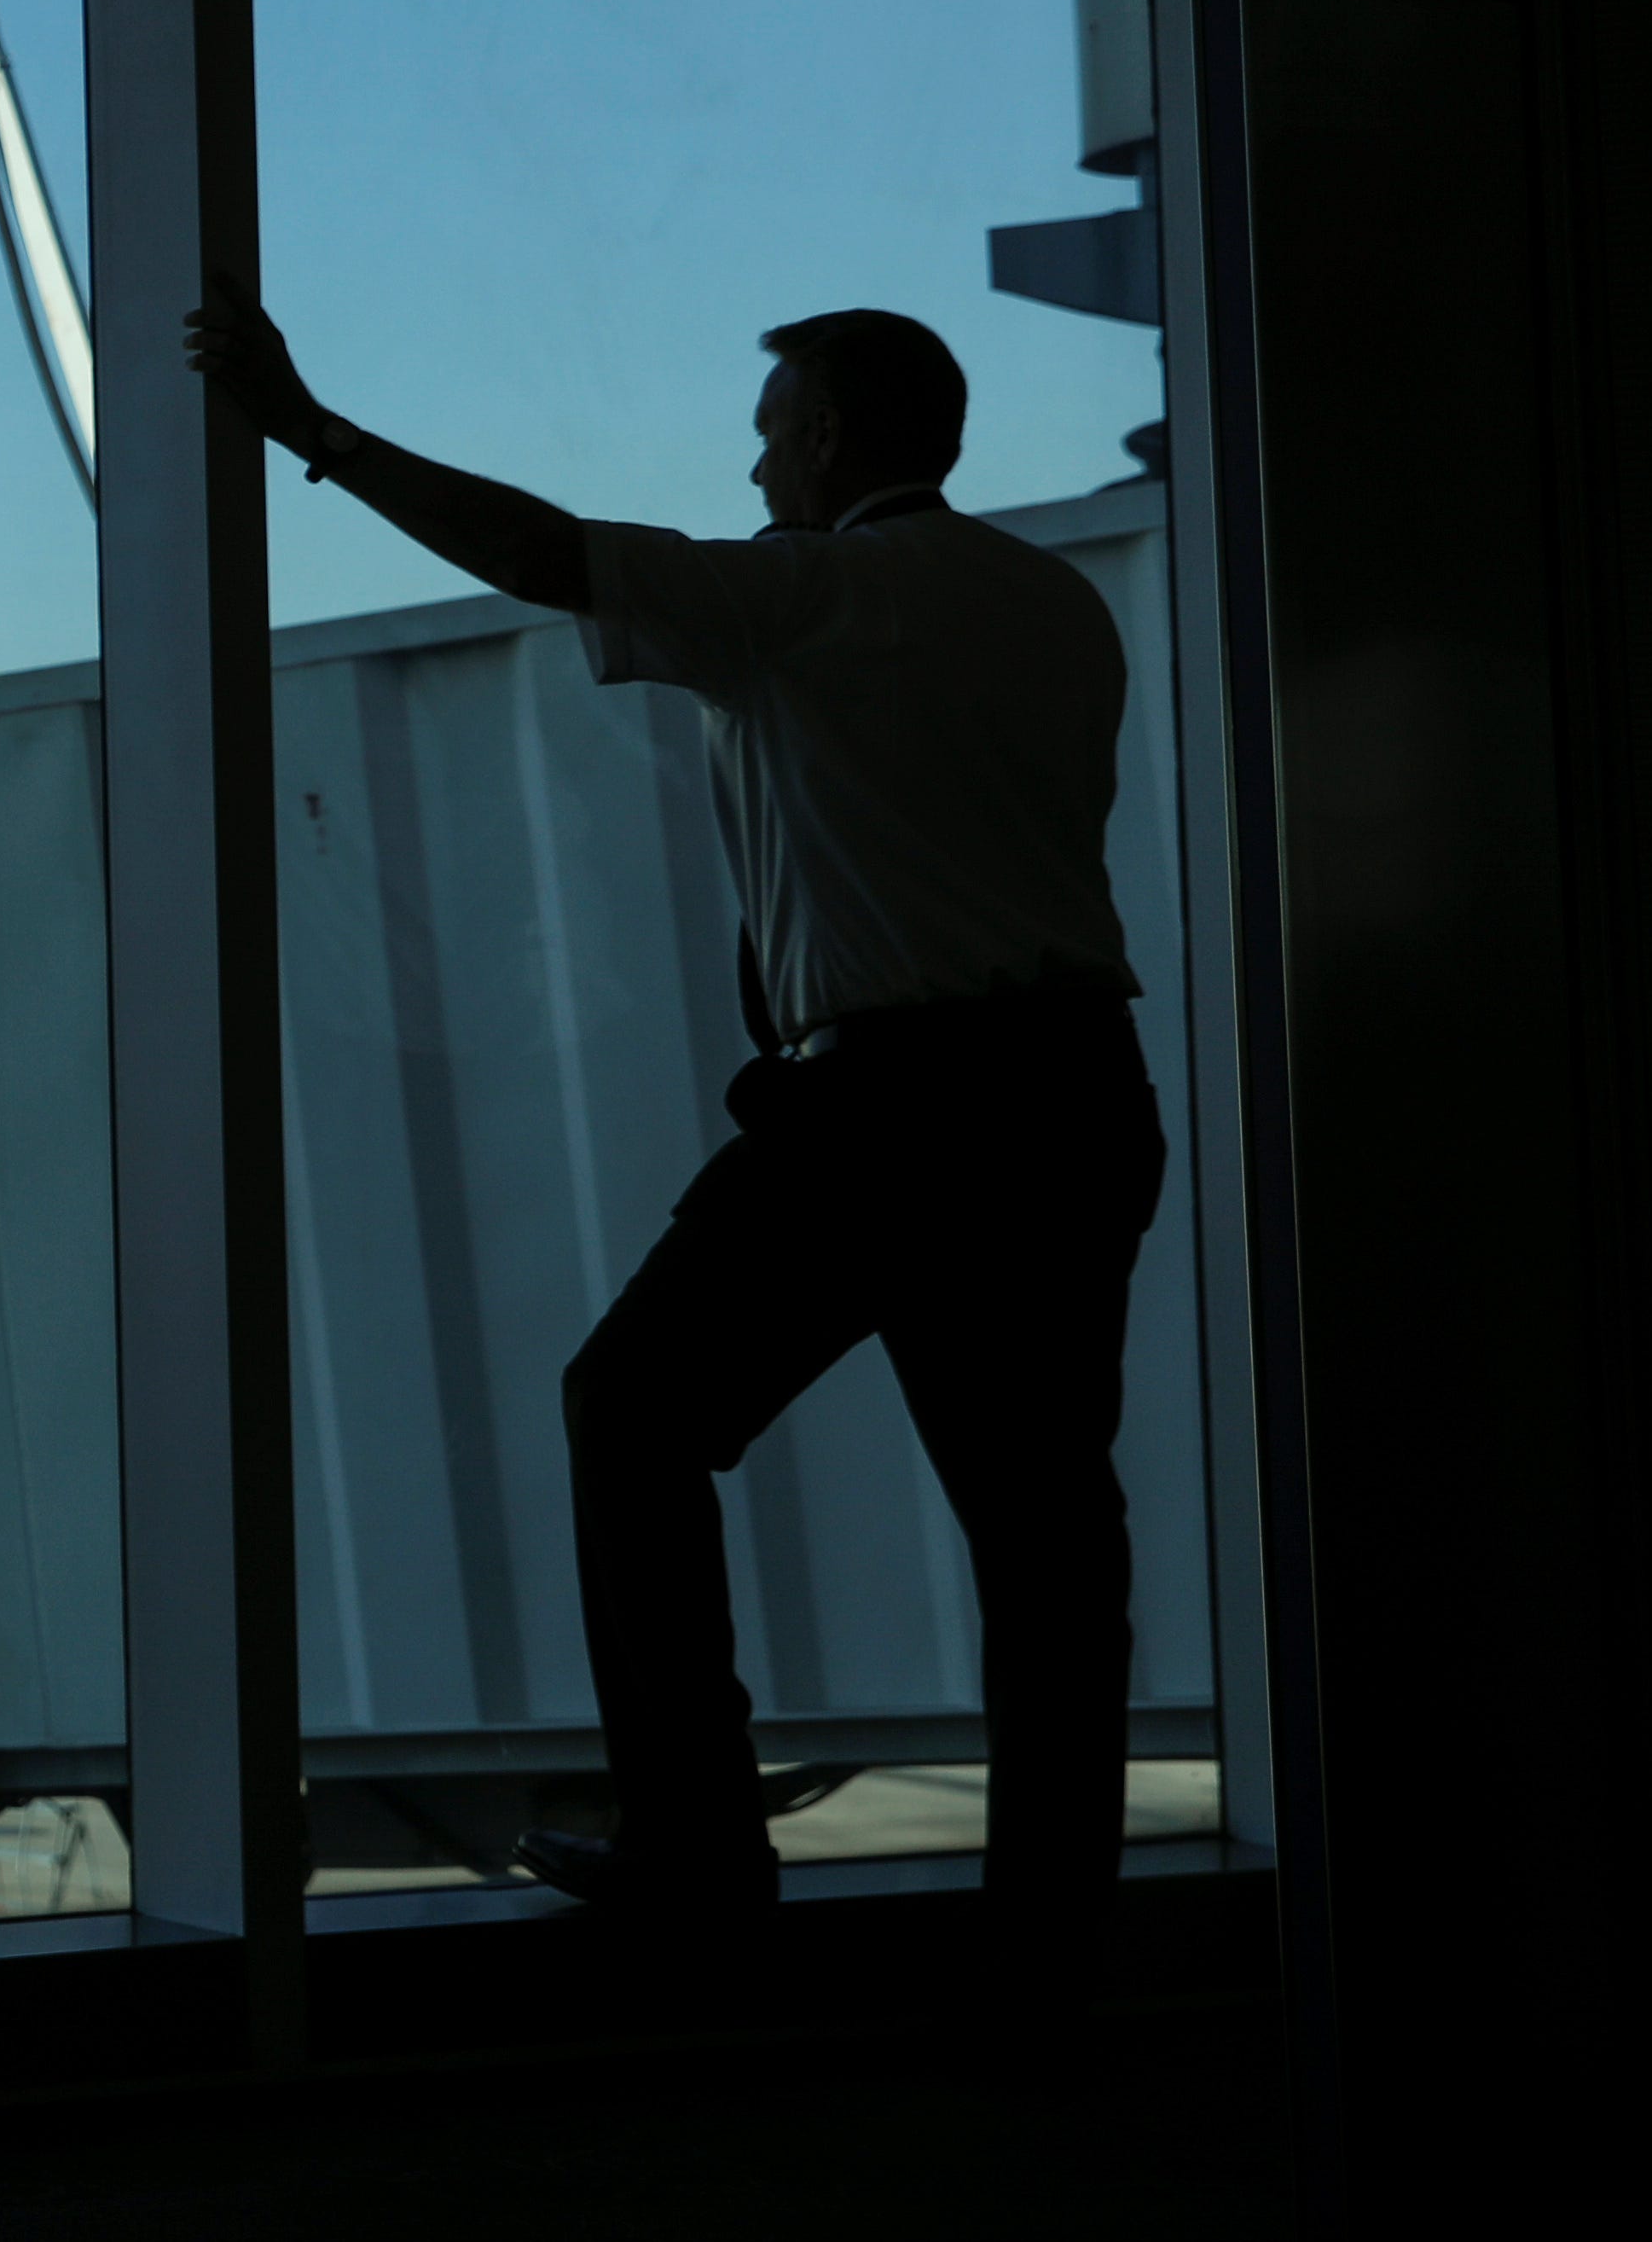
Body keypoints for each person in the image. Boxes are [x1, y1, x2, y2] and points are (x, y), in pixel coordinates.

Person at [185, 279, 1165, 1995]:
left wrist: (312, 433)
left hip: (894, 1103)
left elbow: (551, 551)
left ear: (837, 437)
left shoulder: (813, 597)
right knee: (1039, 1523)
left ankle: (697, 1844)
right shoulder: (1055, 612)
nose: (751, 458)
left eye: (773, 427)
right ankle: (1051, 1921)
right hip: (1073, 1090)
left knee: (629, 1409)